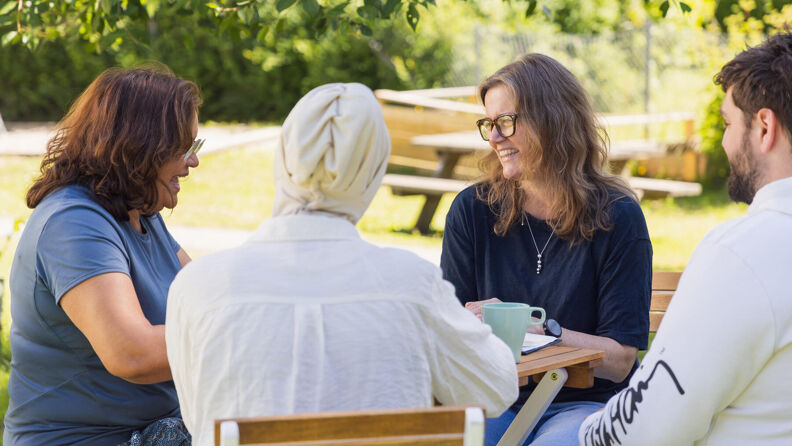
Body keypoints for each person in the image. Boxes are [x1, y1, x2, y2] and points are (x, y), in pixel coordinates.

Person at [165, 82, 519, 446]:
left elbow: (199, 419)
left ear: (284, 154)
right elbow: (497, 388)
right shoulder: (413, 284)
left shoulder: (197, 286)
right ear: (372, 169)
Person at [578, 32, 792, 446]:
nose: (727, 141)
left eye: (729, 123)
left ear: (764, 127)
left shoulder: (742, 253)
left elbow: (650, 426)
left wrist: (586, 433)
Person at [440, 53, 652, 446]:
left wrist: (544, 332)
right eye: (489, 124)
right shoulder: (472, 211)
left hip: (585, 404)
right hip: (495, 400)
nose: (495, 138)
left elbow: (620, 361)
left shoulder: (617, 216)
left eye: (506, 122)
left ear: (552, 120)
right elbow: (449, 336)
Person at [4, 65, 202, 445]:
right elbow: (132, 353)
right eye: (184, 146)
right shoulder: (73, 222)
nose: (192, 162)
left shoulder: (141, 213)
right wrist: (244, 334)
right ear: (141, 146)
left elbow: (207, 295)